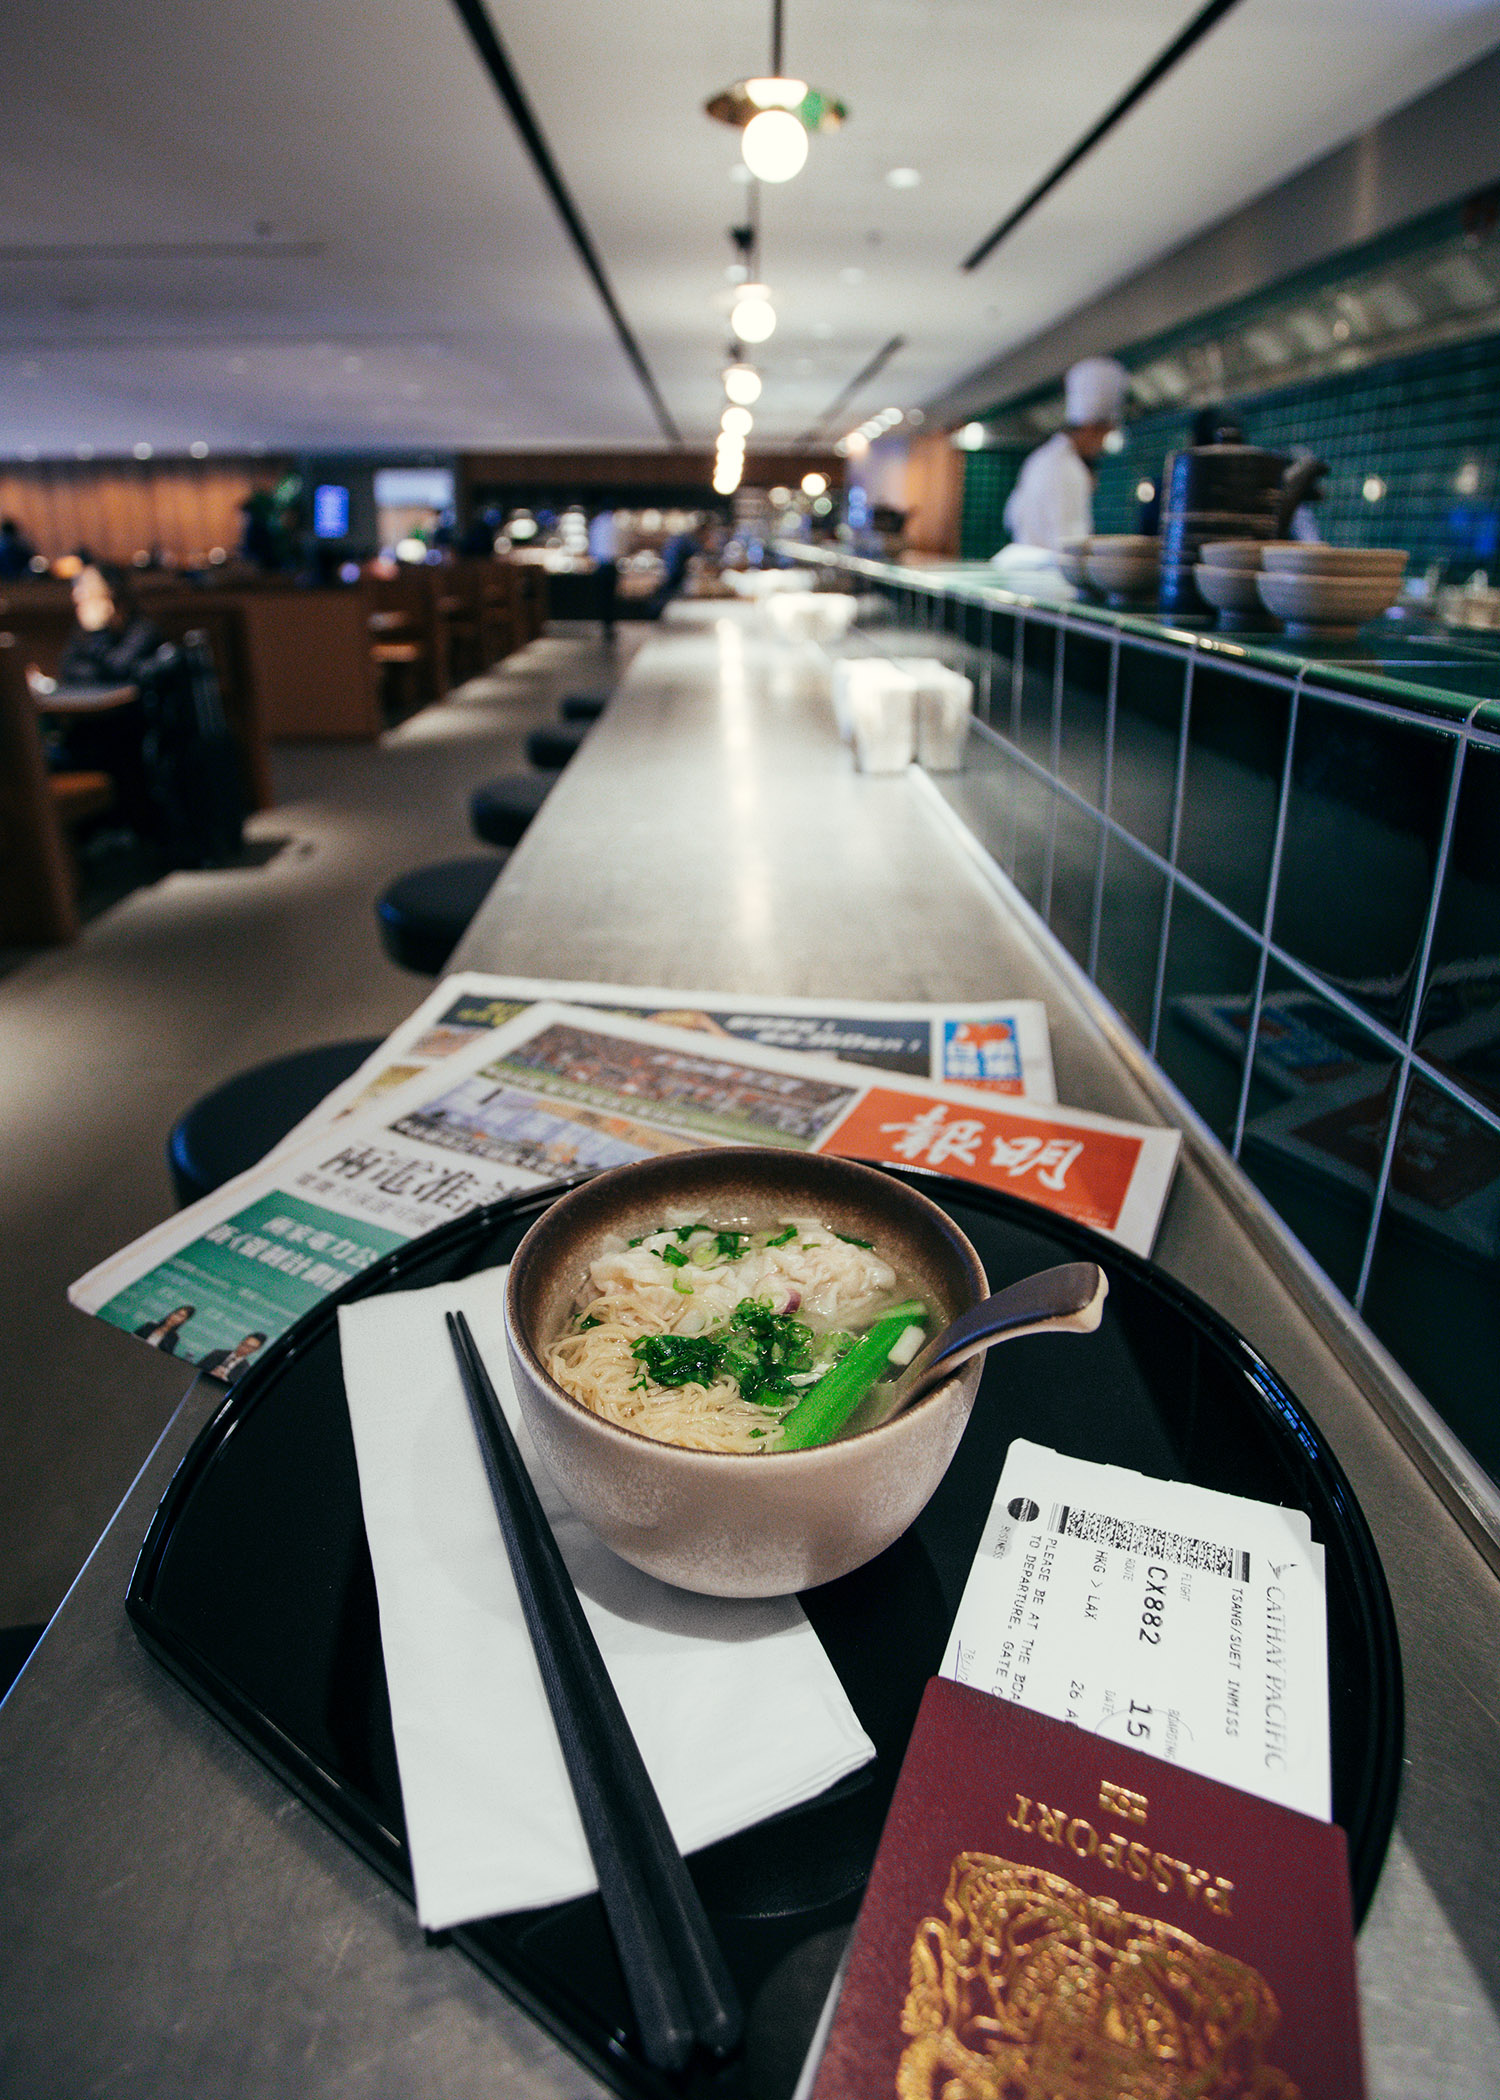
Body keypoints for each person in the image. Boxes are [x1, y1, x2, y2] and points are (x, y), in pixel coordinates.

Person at [1001, 356, 1131, 552]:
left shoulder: (1039, 458)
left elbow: (1011, 518)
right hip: (1050, 574)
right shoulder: (1069, 470)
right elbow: (1072, 545)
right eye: (1105, 435)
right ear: (1091, 429)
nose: (1103, 447)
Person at [588, 508, 619, 640]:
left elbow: (592, 546)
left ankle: (606, 624)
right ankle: (608, 624)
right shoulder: (615, 524)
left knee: (604, 597)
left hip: (601, 565)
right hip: (610, 565)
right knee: (610, 597)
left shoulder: (597, 523)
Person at [199, 1332, 267, 1384]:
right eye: (244, 1344)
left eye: (249, 1347)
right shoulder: (217, 1353)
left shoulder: (245, 1370)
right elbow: (198, 1368)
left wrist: (224, 1380)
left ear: (255, 1350)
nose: (243, 1348)